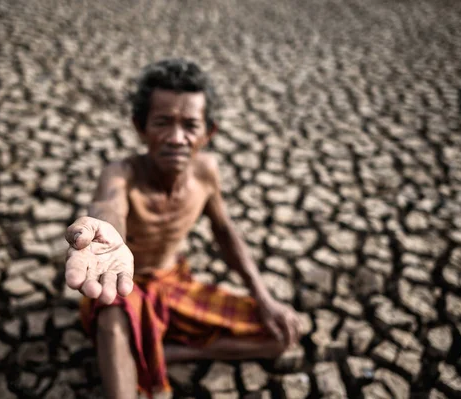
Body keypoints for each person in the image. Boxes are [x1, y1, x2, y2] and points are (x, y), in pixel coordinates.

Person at [64, 58, 304, 399]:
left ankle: (163, 352)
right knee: (112, 320)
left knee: (280, 335)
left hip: (173, 282)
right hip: (122, 286)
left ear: (209, 132)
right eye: (163, 122)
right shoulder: (122, 174)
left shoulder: (206, 173)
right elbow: (109, 206)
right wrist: (106, 231)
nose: (177, 138)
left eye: (190, 125)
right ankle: (140, 349)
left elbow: (224, 232)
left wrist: (263, 296)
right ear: (140, 126)